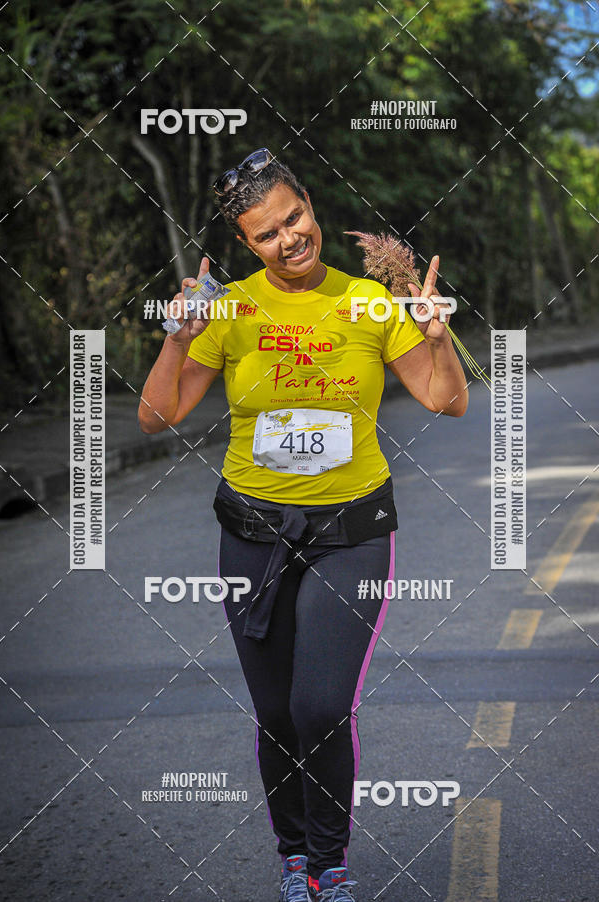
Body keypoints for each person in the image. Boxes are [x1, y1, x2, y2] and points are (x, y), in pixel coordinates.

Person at [139, 148, 468, 901]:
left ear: (312, 206)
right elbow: (156, 417)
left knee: (321, 705)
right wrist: (179, 336)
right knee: (277, 712)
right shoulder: (229, 310)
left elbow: (448, 402)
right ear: (245, 245)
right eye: (266, 233)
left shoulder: (369, 303)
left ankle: (333, 864)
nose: (289, 238)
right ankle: (294, 859)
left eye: (295, 217)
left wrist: (438, 336)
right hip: (251, 531)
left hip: (350, 531)